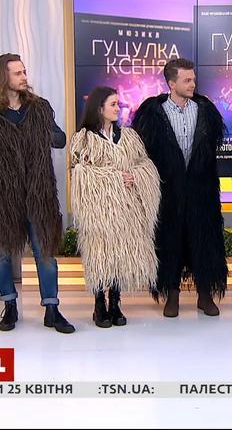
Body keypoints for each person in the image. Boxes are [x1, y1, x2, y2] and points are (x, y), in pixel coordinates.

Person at [0, 53, 74, 334]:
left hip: (38, 193)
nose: (24, 77)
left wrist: (42, 130)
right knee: (2, 254)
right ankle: (9, 305)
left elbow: (60, 140)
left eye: (24, 71)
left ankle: (52, 309)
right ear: (3, 77)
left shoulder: (39, 108)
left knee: (45, 252)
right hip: (1, 196)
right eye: (18, 73)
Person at [132, 58, 228, 317]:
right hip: (167, 191)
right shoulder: (153, 113)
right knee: (169, 240)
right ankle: (171, 294)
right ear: (171, 83)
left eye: (193, 79)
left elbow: (211, 148)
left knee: (204, 241)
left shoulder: (206, 110)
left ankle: (205, 295)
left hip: (202, 191)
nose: (192, 84)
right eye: (187, 80)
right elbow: (142, 152)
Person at [69, 86, 161, 328]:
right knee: (100, 256)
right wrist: (113, 178)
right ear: (99, 108)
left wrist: (136, 176)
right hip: (99, 212)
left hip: (127, 210)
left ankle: (115, 302)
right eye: (113, 104)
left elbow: (146, 164)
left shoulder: (128, 137)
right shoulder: (84, 139)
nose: (118, 108)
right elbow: (81, 173)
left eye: (118, 104)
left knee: (121, 254)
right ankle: (99, 304)